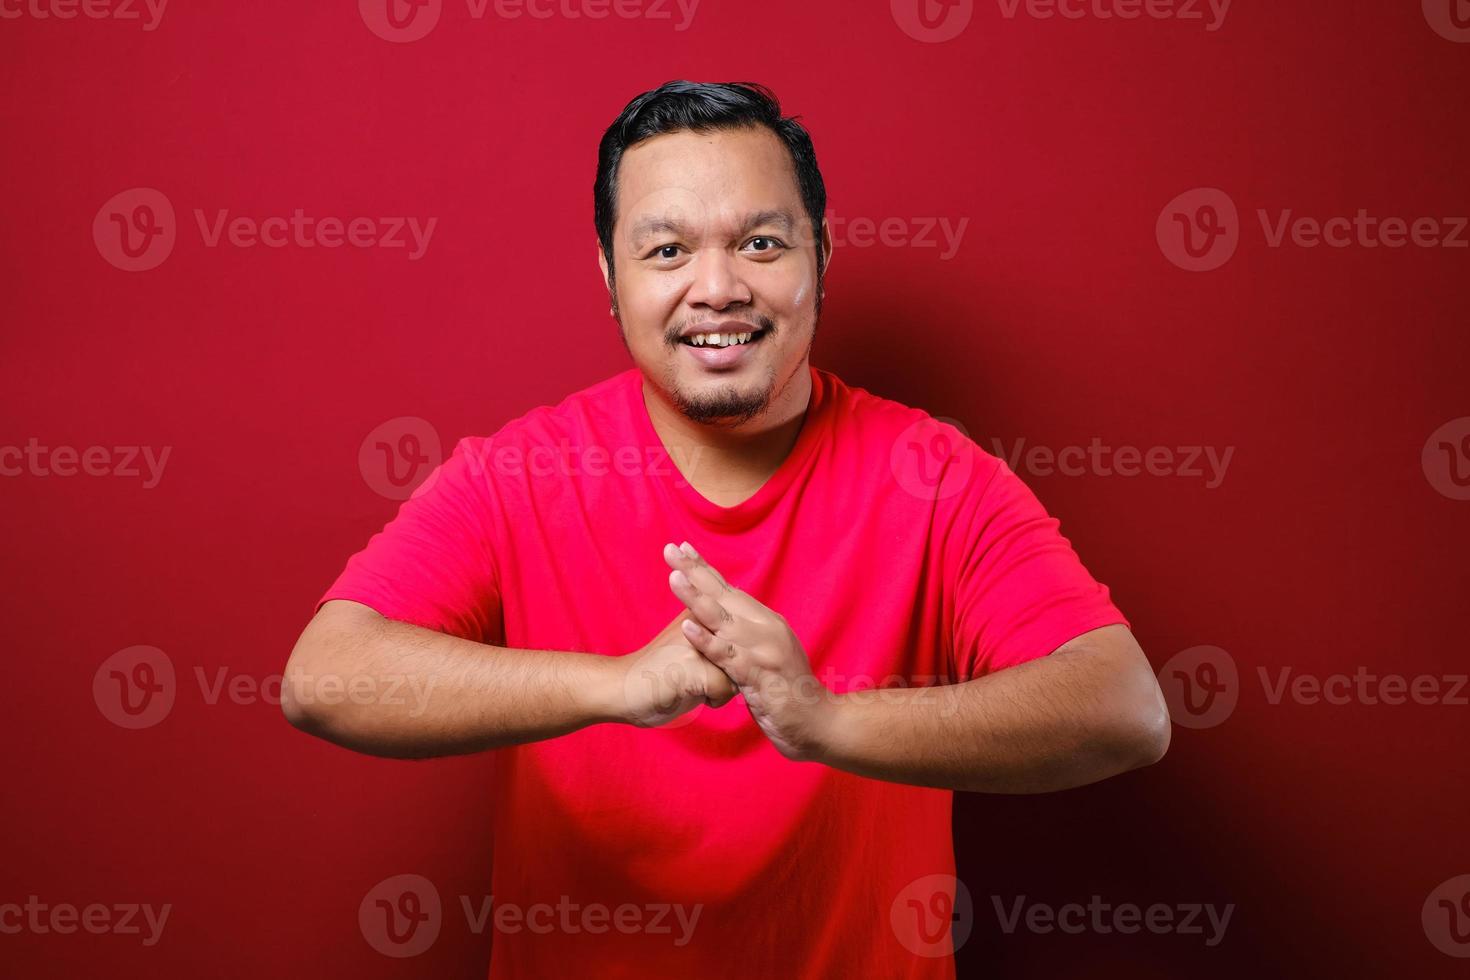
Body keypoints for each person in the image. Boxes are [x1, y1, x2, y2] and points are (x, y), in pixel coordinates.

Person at [283, 79, 1170, 978]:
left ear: (819, 253)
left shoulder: (933, 474)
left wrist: (824, 721)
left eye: (760, 243)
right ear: (609, 273)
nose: (717, 289)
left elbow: (1125, 710)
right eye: (667, 249)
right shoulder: (522, 471)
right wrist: (621, 684)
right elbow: (324, 678)